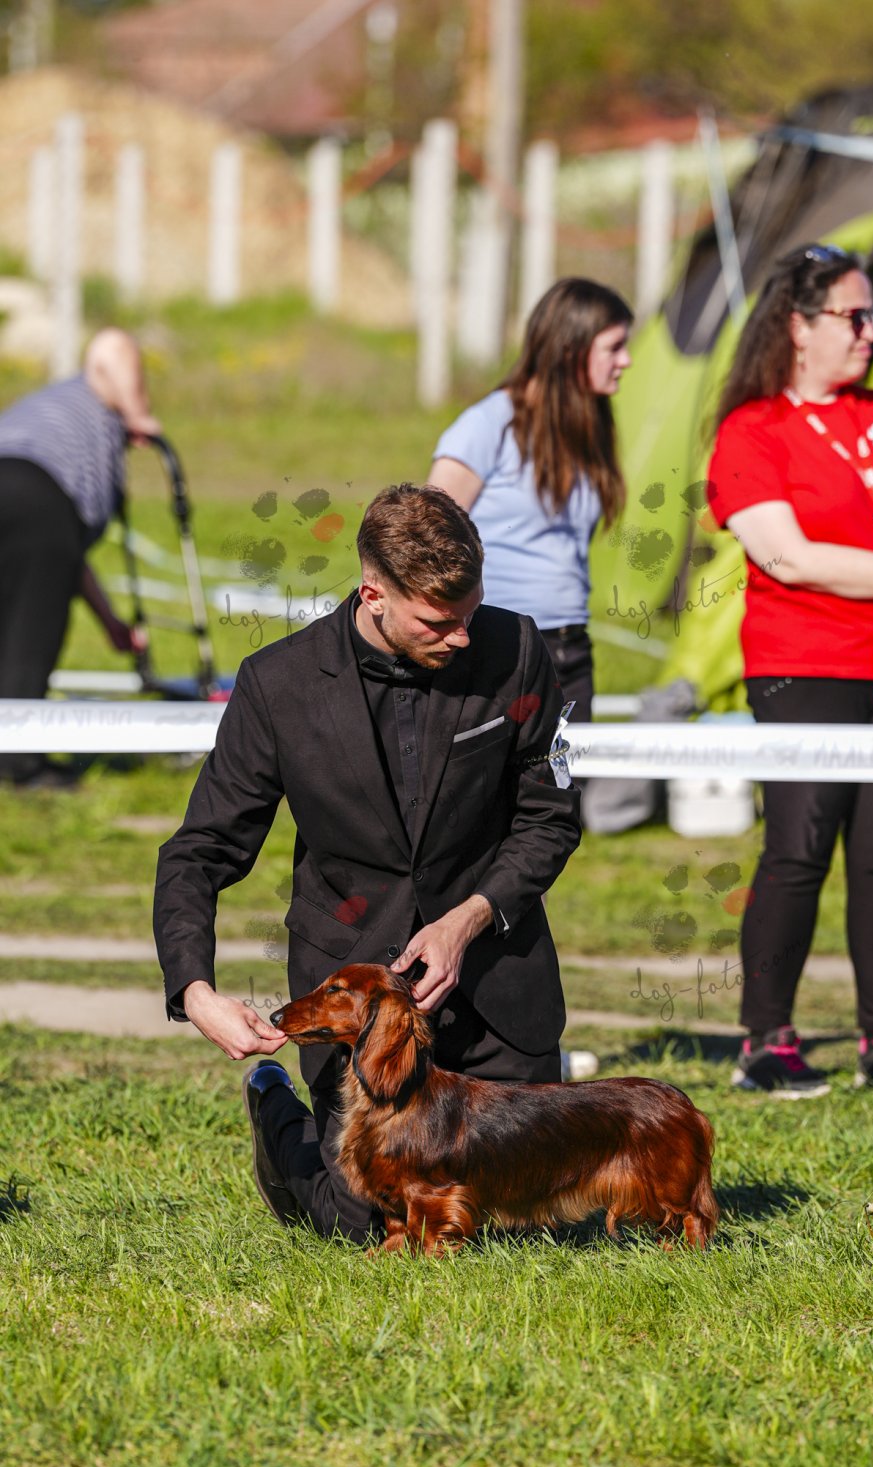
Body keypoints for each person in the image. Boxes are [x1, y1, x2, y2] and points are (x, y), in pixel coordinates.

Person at [153, 482, 581, 1242]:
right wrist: (195, 991)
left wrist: (467, 919)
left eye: (471, 613)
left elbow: (550, 819)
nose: (462, 637)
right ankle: (279, 1116)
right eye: (438, 622)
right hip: (356, 999)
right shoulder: (277, 684)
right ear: (372, 593)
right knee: (372, 1224)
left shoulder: (517, 651)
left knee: (513, 1223)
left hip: (496, 980)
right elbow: (201, 849)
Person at [707, 244, 873, 1097]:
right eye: (853, 316)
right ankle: (766, 1040)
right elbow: (787, 556)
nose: (870, 331)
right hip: (804, 663)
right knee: (799, 850)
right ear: (797, 325)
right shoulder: (751, 429)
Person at [427, 276, 633, 725]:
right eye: (614, 347)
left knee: (568, 772)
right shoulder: (489, 425)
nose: (627, 360)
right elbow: (427, 537)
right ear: (570, 348)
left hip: (569, 647)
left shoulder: (588, 426)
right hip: (494, 647)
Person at [0, 328, 161, 787]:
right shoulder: (93, 392)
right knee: (30, 632)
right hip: (36, 494)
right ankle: (18, 763)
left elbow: (64, 559)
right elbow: (111, 345)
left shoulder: (42, 409)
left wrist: (110, 623)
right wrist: (138, 414)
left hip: (25, 499)